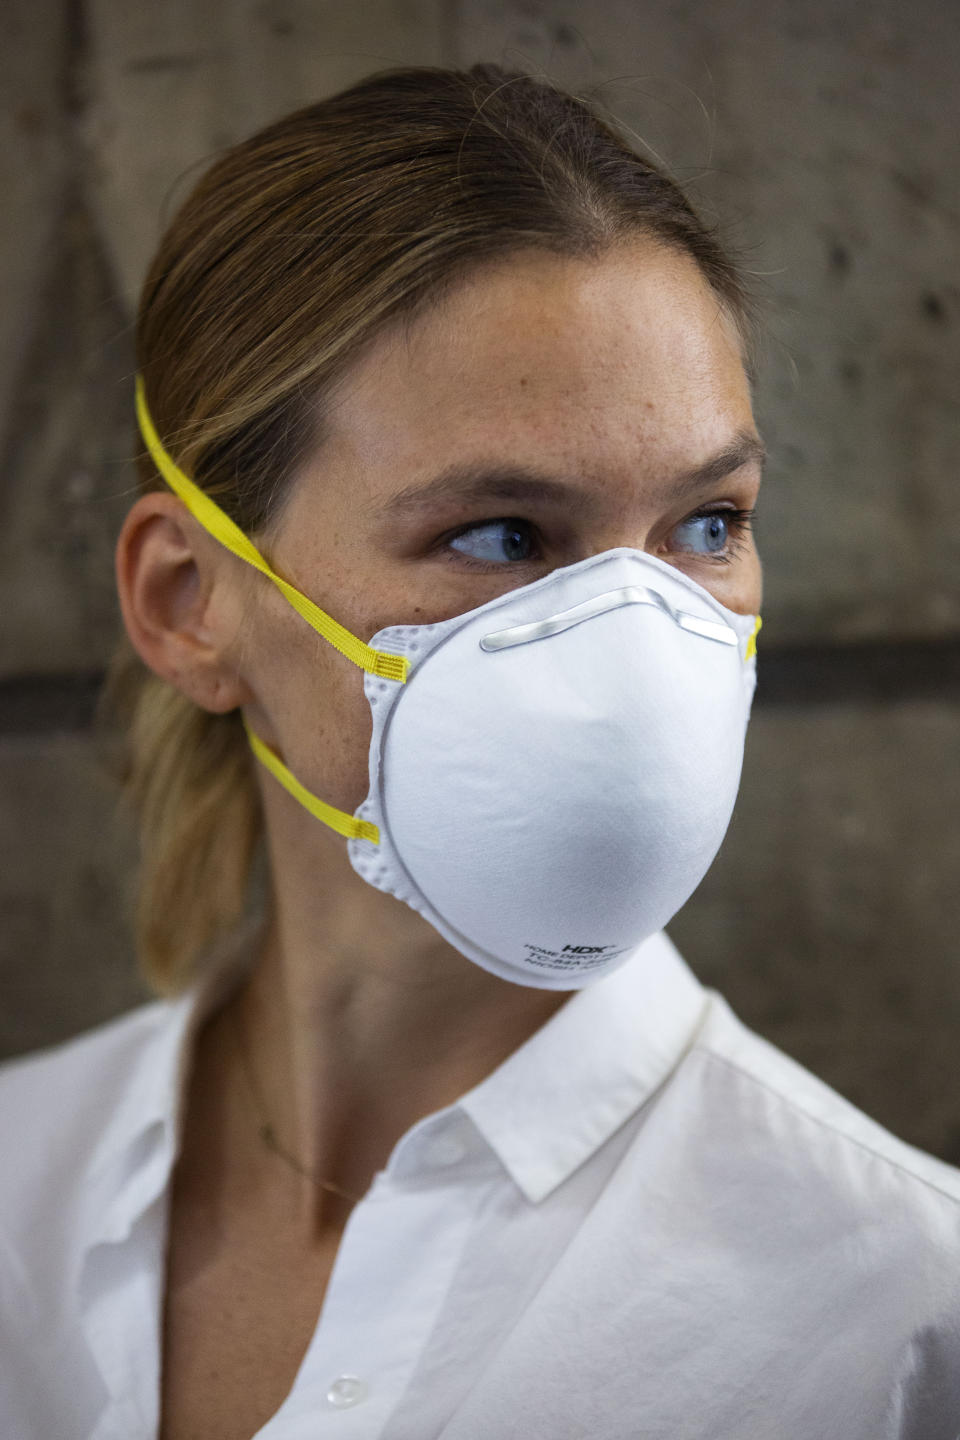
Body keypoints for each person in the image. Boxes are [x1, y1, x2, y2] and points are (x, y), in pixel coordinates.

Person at [1, 60, 958, 1440]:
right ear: (187, 603)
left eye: (707, 523)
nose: (636, 641)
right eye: (502, 536)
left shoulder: (898, 1322)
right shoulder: (24, 1191)